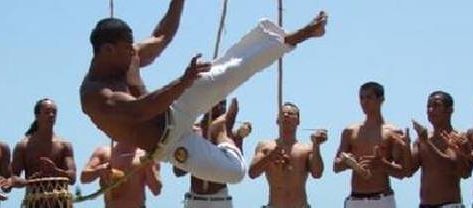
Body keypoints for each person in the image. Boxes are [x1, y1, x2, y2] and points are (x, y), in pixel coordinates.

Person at [80, 0, 328, 183]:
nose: (132, 52)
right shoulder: (96, 95)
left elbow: (162, 35)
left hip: (175, 107)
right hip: (168, 145)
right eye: (126, 49)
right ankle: (221, 134)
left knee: (232, 70)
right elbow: (140, 111)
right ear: (107, 50)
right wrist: (184, 80)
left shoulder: (125, 56)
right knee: (235, 173)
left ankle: (303, 34)